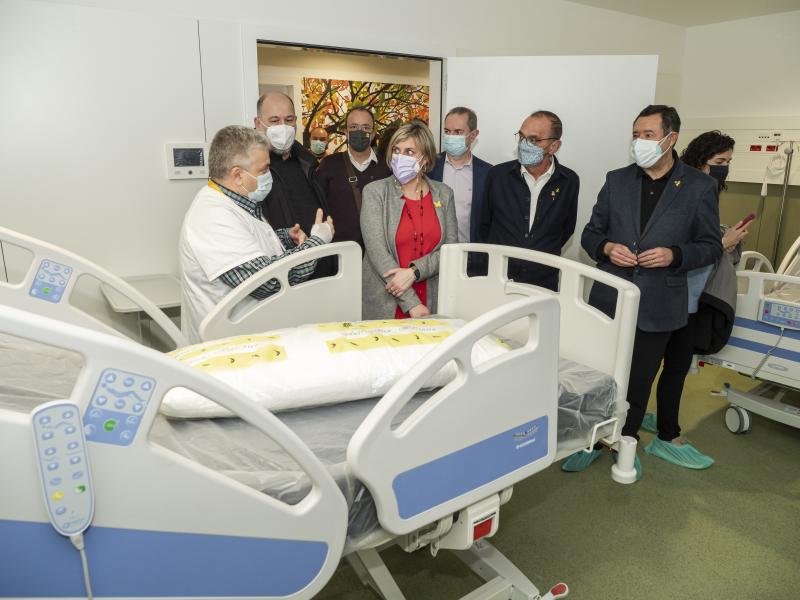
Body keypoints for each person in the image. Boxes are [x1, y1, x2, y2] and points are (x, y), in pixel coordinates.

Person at [574, 105, 723, 479]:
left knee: (638, 381)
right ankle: (591, 440)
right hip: (610, 298)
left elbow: (710, 246)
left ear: (671, 138)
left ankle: (625, 442)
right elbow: (590, 234)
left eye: (648, 135)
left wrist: (675, 255)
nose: (639, 142)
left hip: (659, 302)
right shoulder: (618, 180)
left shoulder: (698, 186)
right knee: (598, 373)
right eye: (636, 135)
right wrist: (607, 248)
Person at [179, 125, 334, 343]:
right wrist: (318, 242)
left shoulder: (239, 201)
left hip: (254, 334)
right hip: (228, 346)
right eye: (264, 170)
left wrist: (284, 237)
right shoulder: (211, 216)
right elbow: (268, 282)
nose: (269, 176)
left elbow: (248, 242)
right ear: (238, 175)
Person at [640, 130, 748, 435]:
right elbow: (679, 246)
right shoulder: (679, 190)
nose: (724, 168)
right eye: (719, 161)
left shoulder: (708, 191)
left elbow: (701, 238)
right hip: (667, 296)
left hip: (692, 300)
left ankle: (668, 432)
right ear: (701, 161)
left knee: (676, 368)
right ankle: (630, 424)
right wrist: (722, 243)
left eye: (729, 162)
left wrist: (722, 239)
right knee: (644, 371)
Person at [361, 120, 457, 320]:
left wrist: (415, 271)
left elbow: (450, 250)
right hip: (388, 299)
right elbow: (378, 253)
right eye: (396, 150)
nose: (400, 157)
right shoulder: (375, 192)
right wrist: (411, 303)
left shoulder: (444, 194)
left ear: (426, 158)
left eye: (409, 152)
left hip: (432, 297)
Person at [478, 110, 579, 290]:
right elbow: (483, 225)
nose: (524, 144)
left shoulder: (569, 181)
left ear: (554, 146)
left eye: (533, 140)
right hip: (498, 278)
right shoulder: (497, 176)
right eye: (522, 137)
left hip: (543, 281)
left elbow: (566, 230)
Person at [253, 92, 329, 237]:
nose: (283, 127)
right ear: (258, 123)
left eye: (289, 119)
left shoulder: (308, 162)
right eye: (274, 120)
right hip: (279, 250)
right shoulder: (249, 169)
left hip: (319, 247)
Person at [315, 107, 390, 248]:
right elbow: (318, 205)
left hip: (377, 250)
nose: (359, 132)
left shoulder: (386, 168)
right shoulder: (329, 165)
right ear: (346, 132)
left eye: (365, 127)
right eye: (353, 127)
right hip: (339, 250)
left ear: (373, 134)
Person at [429, 107, 492, 243]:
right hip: (434, 252)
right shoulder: (429, 167)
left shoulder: (488, 174)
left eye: (458, 132)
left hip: (471, 252)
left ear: (473, 135)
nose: (451, 137)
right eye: (447, 131)